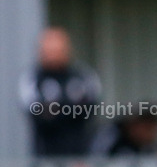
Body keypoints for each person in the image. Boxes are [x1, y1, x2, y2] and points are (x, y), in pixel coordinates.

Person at [20, 27, 102, 156]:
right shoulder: (32, 79)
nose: (53, 56)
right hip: (44, 157)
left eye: (58, 50)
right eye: (49, 51)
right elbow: (38, 114)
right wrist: (69, 109)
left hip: (80, 157)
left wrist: (57, 110)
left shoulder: (83, 76)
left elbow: (88, 110)